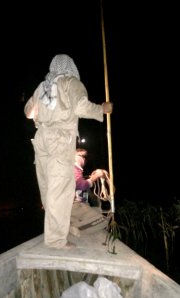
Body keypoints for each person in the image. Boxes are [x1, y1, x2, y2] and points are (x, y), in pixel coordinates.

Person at [24, 54, 113, 249]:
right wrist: (102, 109)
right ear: (70, 66)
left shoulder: (42, 87)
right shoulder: (71, 82)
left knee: (48, 189)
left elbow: (28, 112)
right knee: (61, 190)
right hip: (60, 139)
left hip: (41, 140)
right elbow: (81, 106)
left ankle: (59, 230)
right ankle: (56, 240)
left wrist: (46, 113)